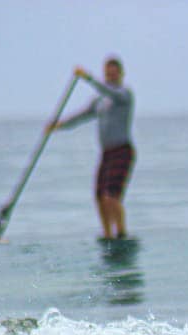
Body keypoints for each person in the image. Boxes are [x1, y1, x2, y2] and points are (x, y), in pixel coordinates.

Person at [48, 56, 135, 239]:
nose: (111, 77)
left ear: (121, 74)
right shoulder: (100, 100)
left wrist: (88, 78)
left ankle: (121, 234)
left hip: (122, 150)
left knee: (111, 195)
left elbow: (110, 91)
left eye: (114, 74)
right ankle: (107, 235)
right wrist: (60, 125)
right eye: (108, 74)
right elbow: (82, 116)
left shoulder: (124, 94)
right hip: (106, 153)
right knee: (99, 195)